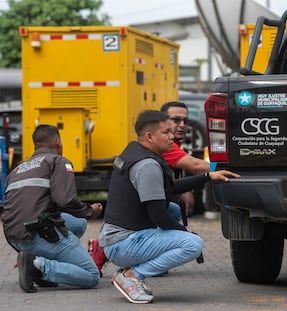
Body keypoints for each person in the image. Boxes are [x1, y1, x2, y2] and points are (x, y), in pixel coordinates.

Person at [98, 110, 239, 304]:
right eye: (166, 132)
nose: (172, 136)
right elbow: (158, 216)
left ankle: (130, 269)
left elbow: (169, 188)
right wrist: (186, 233)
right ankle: (131, 275)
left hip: (115, 236)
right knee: (192, 244)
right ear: (150, 136)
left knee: (173, 209)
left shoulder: (135, 152)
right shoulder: (147, 165)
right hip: (121, 244)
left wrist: (208, 176)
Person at [2, 124, 103, 293]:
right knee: (91, 275)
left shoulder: (17, 169)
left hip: (14, 236)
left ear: (36, 145)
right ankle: (38, 266)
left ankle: (43, 262)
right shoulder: (58, 161)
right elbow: (66, 200)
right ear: (58, 142)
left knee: (79, 223)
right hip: (38, 233)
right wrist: (90, 211)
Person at [160, 101, 210, 214]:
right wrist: (222, 167)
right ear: (162, 122)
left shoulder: (175, 143)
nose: (182, 125)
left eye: (185, 121)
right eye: (176, 120)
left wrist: (186, 190)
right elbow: (196, 166)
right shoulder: (165, 144)